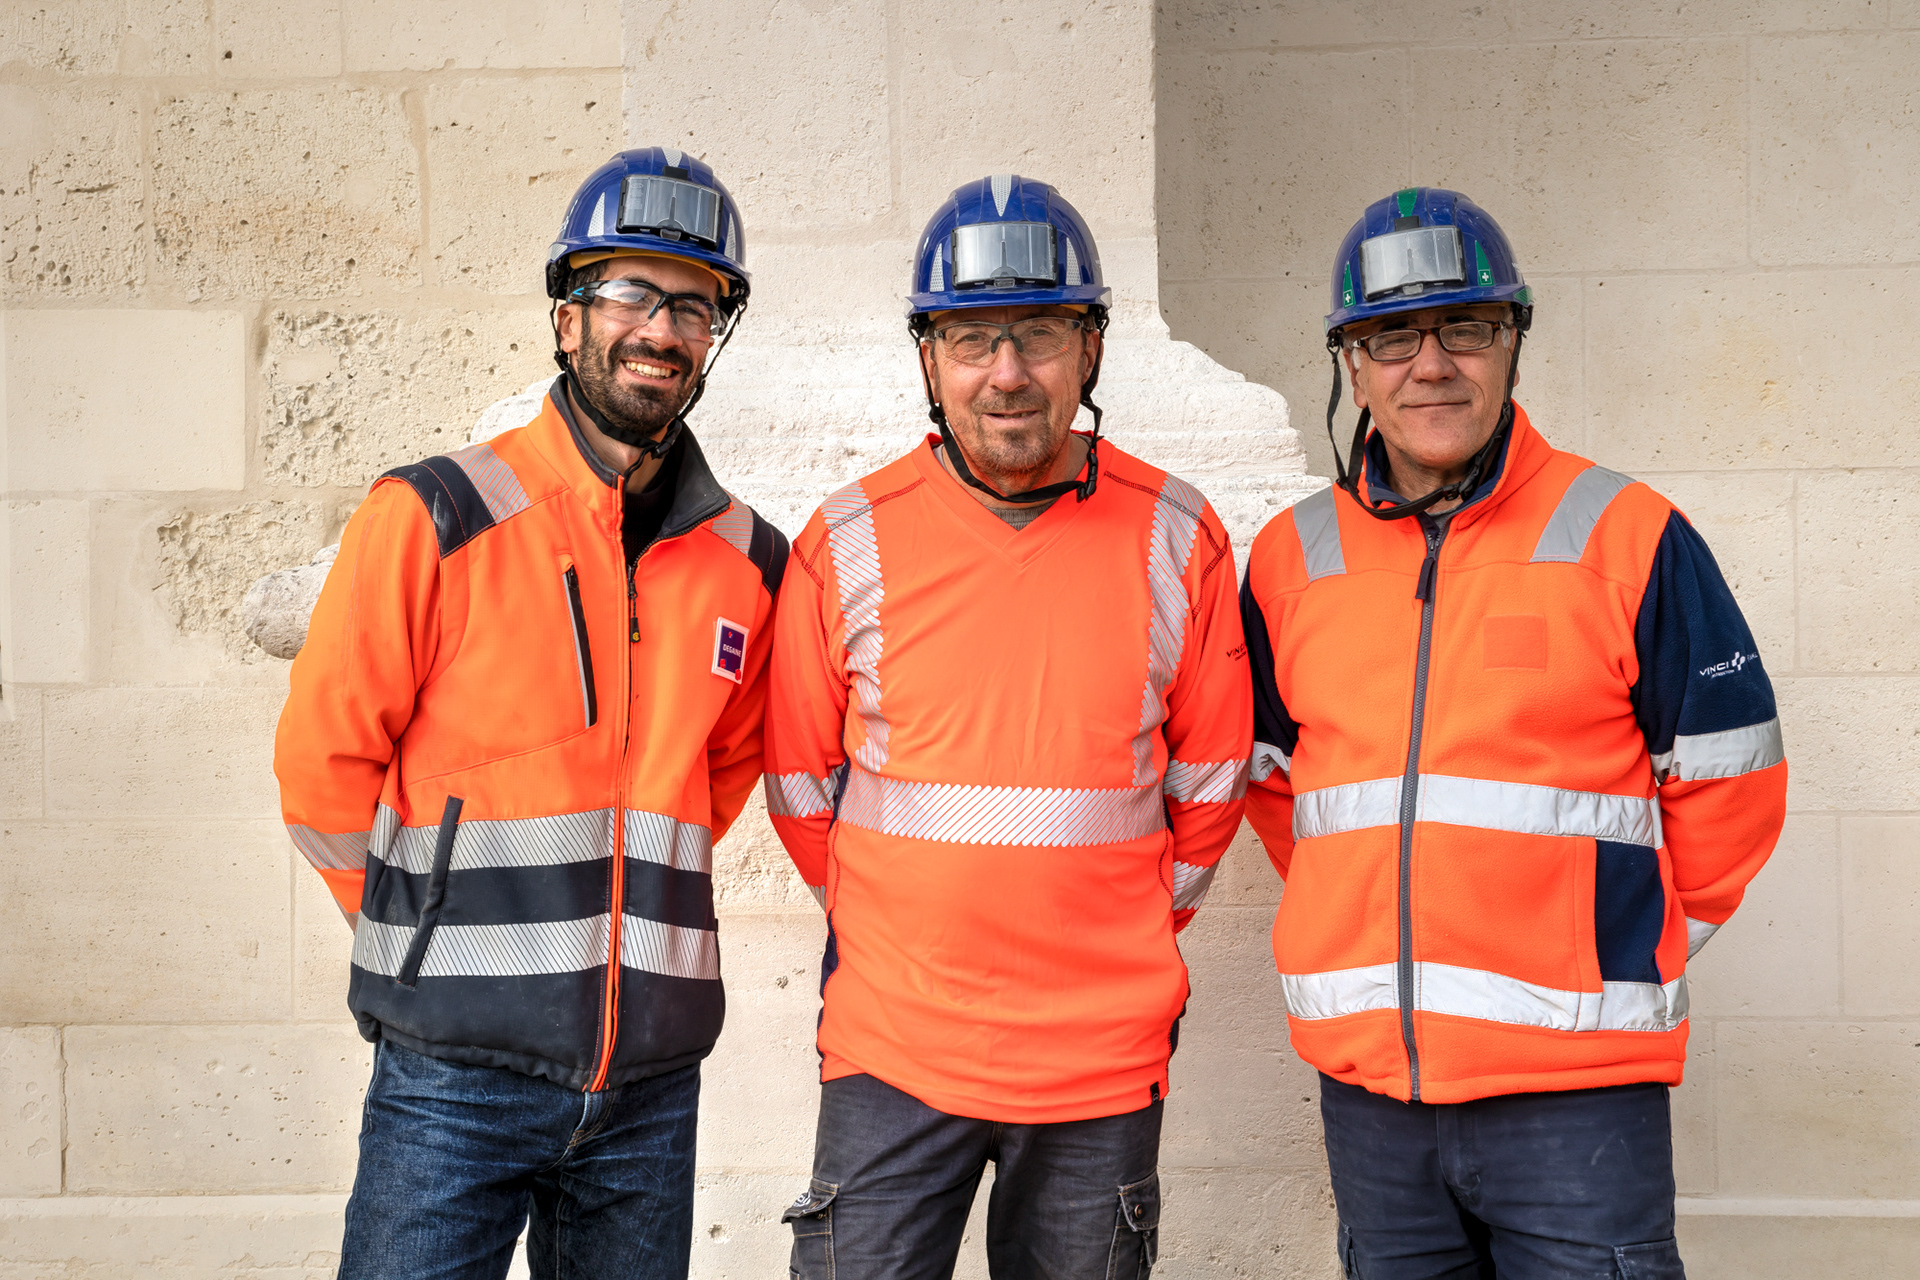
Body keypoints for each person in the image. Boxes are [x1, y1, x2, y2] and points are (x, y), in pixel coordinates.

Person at [1240, 187, 1787, 1278]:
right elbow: (1273, 782)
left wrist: (1613, 942)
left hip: (1578, 1098)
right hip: (1374, 1099)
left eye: (1468, 327)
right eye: (1393, 333)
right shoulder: (1287, 558)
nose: (1430, 363)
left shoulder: (1629, 532)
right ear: (1351, 361)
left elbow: (1732, 782)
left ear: (1514, 345)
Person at [274, 146, 787, 1280]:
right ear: (568, 318)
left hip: (650, 1083)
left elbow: (724, 773)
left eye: (693, 303)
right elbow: (321, 771)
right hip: (451, 1075)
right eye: (629, 292)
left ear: (713, 336)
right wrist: (422, 927)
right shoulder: (435, 514)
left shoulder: (752, 560)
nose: (659, 326)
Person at [762, 173, 1252, 1280]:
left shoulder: (1180, 535)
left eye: (1039, 331)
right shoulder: (846, 541)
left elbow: (1215, 785)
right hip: (893, 1053)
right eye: (973, 337)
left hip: (1098, 1063)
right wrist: (907, 923)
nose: (1008, 371)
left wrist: (1108, 921)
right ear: (929, 359)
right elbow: (798, 784)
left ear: (1090, 349)